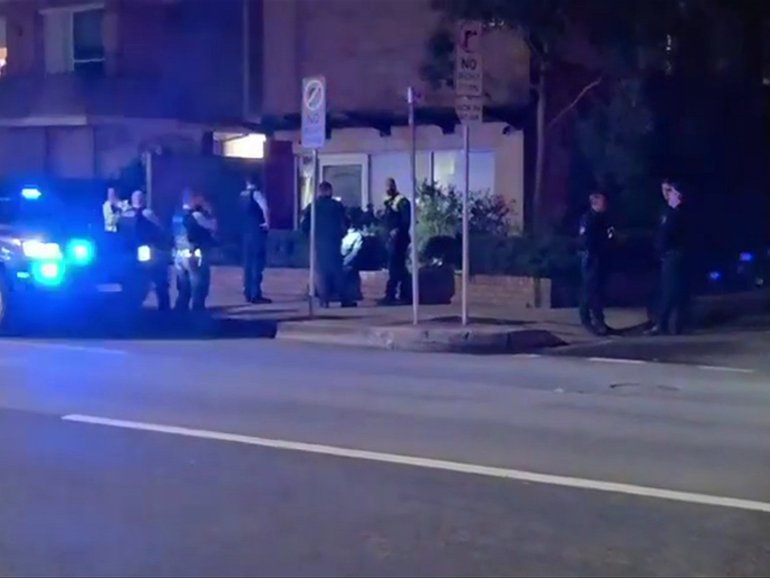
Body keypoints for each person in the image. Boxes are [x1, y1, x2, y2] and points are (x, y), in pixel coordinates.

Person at [301, 181, 353, 308]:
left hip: (318, 242)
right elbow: (345, 221)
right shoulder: (336, 205)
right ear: (329, 191)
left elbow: (304, 225)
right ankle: (344, 299)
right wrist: (342, 234)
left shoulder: (313, 206)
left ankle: (324, 300)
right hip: (334, 241)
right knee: (337, 271)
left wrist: (310, 237)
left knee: (321, 271)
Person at [648, 180, 690, 335]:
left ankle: (672, 324)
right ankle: (664, 323)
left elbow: (676, 234)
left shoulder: (680, 213)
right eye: (673, 193)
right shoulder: (667, 212)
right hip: (669, 256)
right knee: (670, 290)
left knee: (676, 290)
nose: (675, 196)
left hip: (677, 255)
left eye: (673, 192)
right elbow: (661, 235)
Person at [120, 190, 171, 311]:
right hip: (144, 250)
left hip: (138, 251)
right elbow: (160, 229)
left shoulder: (128, 215)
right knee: (158, 279)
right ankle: (163, 308)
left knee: (147, 278)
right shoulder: (143, 214)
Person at [173, 189, 217, 312]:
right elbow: (213, 226)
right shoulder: (197, 215)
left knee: (183, 285)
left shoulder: (177, 214)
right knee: (199, 282)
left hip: (179, 253)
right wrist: (209, 212)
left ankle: (180, 311)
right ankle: (197, 310)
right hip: (194, 253)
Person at [577, 191, 615, 335]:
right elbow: (586, 239)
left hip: (600, 257)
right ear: (595, 203)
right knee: (589, 289)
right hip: (591, 257)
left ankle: (599, 321)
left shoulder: (602, 218)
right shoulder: (588, 218)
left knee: (597, 290)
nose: (606, 205)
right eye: (603, 202)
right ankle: (587, 320)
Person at [240, 175, 272, 304]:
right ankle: (255, 294)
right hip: (257, 231)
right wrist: (267, 223)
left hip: (245, 232)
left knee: (247, 264)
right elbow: (265, 208)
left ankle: (247, 292)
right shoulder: (257, 194)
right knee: (257, 263)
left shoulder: (242, 195)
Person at [379, 177, 411, 305]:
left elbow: (406, 220)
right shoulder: (389, 202)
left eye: (389, 186)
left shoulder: (401, 201)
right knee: (399, 267)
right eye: (386, 186)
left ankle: (392, 294)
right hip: (392, 240)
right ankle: (405, 293)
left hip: (399, 240)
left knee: (395, 267)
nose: (387, 188)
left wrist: (397, 231)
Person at [341, 208, 365, 302]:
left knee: (350, 274)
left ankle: (351, 294)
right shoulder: (341, 233)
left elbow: (355, 252)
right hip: (341, 261)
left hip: (348, 263)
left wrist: (344, 262)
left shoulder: (357, 235)